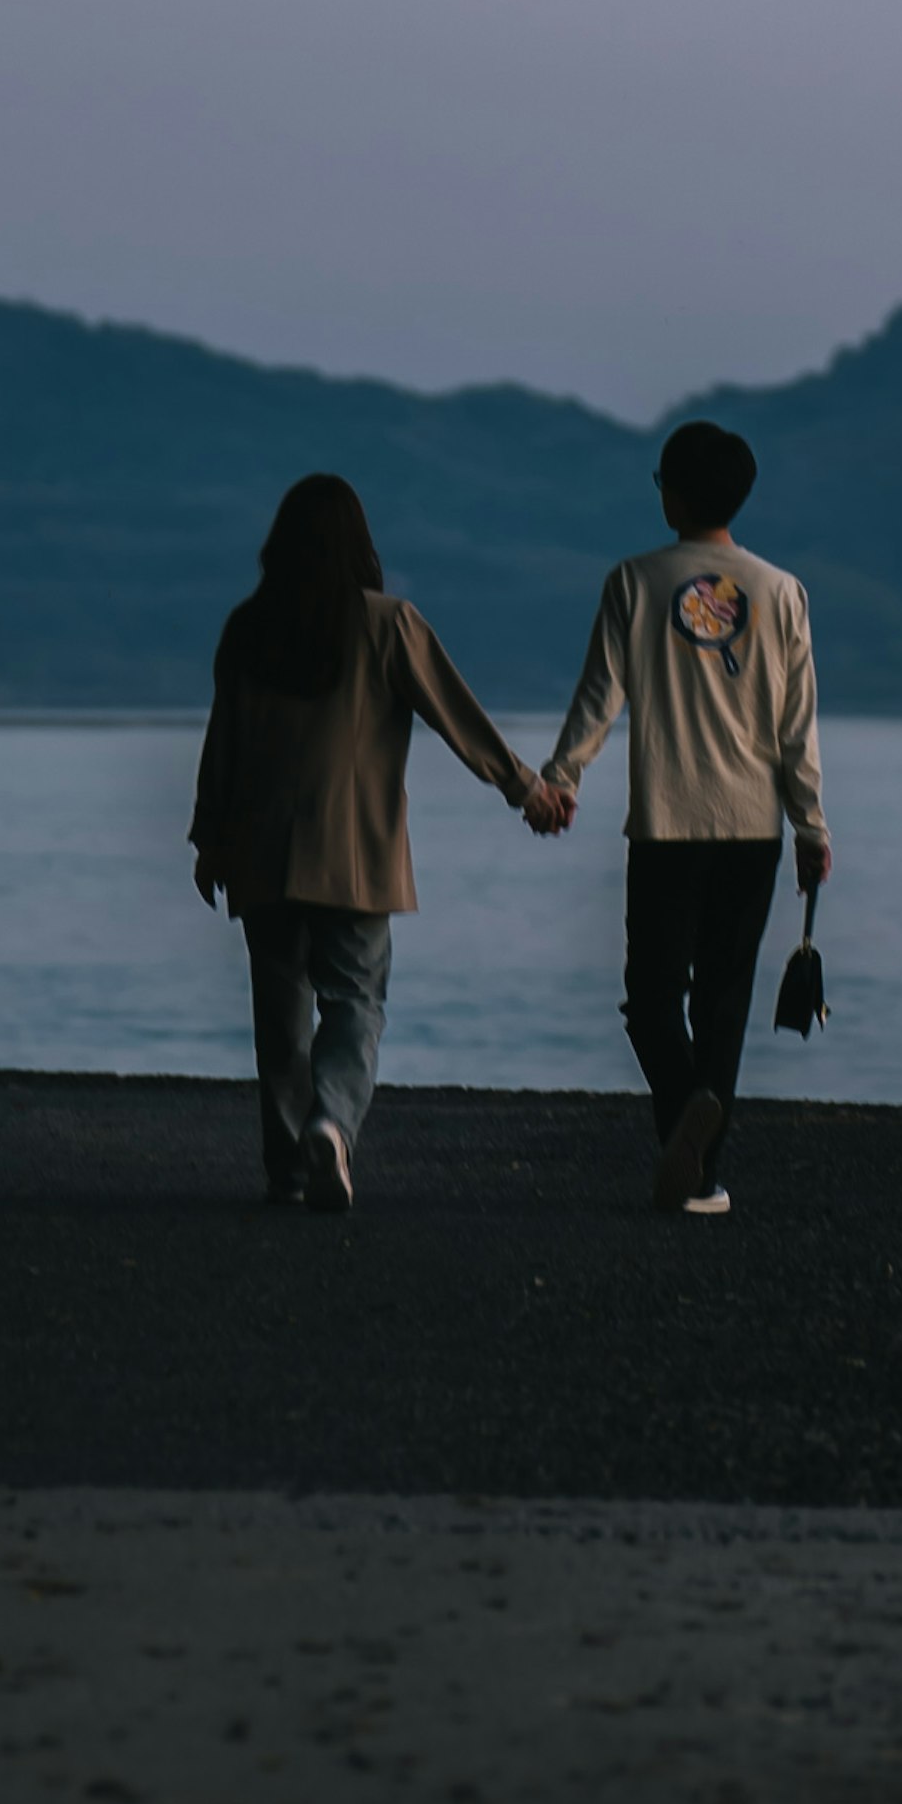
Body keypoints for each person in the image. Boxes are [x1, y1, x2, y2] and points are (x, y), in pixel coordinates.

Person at [189, 471, 559, 1211]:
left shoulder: (248, 624)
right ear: (360, 544)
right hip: (354, 851)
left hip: (260, 851)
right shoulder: (388, 623)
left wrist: (210, 838)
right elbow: (458, 715)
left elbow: (221, 740)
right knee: (356, 999)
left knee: (281, 1017)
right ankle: (332, 1120)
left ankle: (290, 1169)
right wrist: (527, 788)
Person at [540, 418, 828, 1219]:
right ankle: (703, 1177)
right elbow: (796, 725)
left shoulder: (634, 580)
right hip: (753, 829)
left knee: (652, 995)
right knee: (724, 1001)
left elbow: (601, 698)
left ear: (674, 488)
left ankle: (687, 1111)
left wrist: (562, 778)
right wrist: (812, 826)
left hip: (667, 823)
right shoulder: (782, 591)